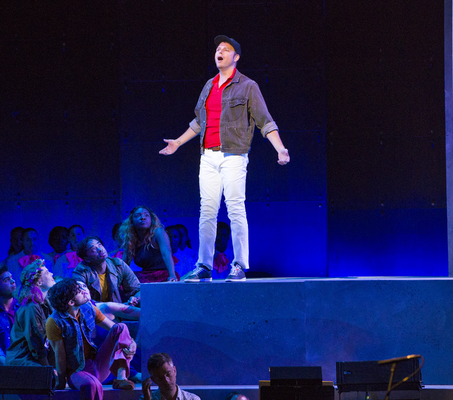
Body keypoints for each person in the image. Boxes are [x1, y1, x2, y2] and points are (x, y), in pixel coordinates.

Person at [159, 35, 290, 282]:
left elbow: (265, 121)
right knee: (206, 212)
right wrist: (178, 142)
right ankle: (204, 266)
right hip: (207, 156)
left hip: (234, 155)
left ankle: (240, 264)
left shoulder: (247, 86)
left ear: (235, 57)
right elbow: (200, 121)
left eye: (226, 49)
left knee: (235, 209)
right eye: (218, 48)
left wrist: (280, 148)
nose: (220, 51)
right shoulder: (209, 85)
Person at [46, 279, 137, 399]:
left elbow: (115, 329)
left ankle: (121, 378)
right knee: (92, 384)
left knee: (121, 327)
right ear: (71, 302)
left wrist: (131, 342)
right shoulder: (54, 322)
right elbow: (60, 356)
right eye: (79, 291)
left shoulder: (89, 308)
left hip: (97, 364)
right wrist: (61, 382)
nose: (84, 291)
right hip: (77, 371)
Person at [73, 236, 140, 320]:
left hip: (117, 313)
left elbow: (138, 290)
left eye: (100, 245)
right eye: (93, 249)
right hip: (94, 315)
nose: (100, 249)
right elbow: (81, 300)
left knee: (144, 313)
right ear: (87, 259)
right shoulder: (81, 271)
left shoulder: (117, 264)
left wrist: (135, 299)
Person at [6, 259, 55, 366]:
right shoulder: (32, 307)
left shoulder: (47, 304)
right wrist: (47, 368)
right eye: (47, 273)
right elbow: (36, 341)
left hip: (35, 358)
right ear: (39, 282)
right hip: (23, 359)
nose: (51, 273)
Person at [119, 206, 177, 283]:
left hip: (162, 275)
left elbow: (166, 254)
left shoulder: (158, 232)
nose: (143, 217)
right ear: (131, 221)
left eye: (146, 215)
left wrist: (172, 275)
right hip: (145, 276)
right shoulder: (131, 239)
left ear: (151, 220)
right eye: (138, 215)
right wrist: (118, 279)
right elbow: (125, 263)